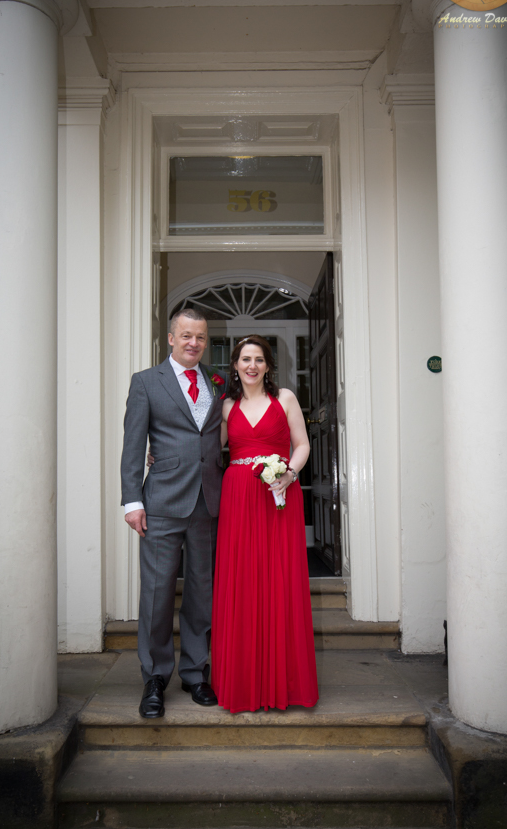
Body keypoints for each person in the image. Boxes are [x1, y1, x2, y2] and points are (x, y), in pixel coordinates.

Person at [121, 308, 226, 719]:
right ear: (170, 338)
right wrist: (133, 501)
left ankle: (195, 673)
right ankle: (155, 677)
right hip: (161, 503)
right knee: (157, 593)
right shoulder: (146, 382)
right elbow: (133, 444)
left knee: (202, 592)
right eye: (186, 336)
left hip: (208, 503)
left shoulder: (218, 381)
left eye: (200, 337)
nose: (193, 343)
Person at [211, 335, 319, 712]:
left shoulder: (285, 398)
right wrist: (160, 455)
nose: (252, 365)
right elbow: (209, 450)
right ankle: (243, 682)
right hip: (239, 498)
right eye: (245, 359)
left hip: (279, 494)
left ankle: (284, 682)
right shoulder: (226, 406)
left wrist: (290, 473)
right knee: (241, 579)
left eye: (259, 359)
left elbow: (302, 444)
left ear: (268, 365)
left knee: (280, 578)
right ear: (235, 366)